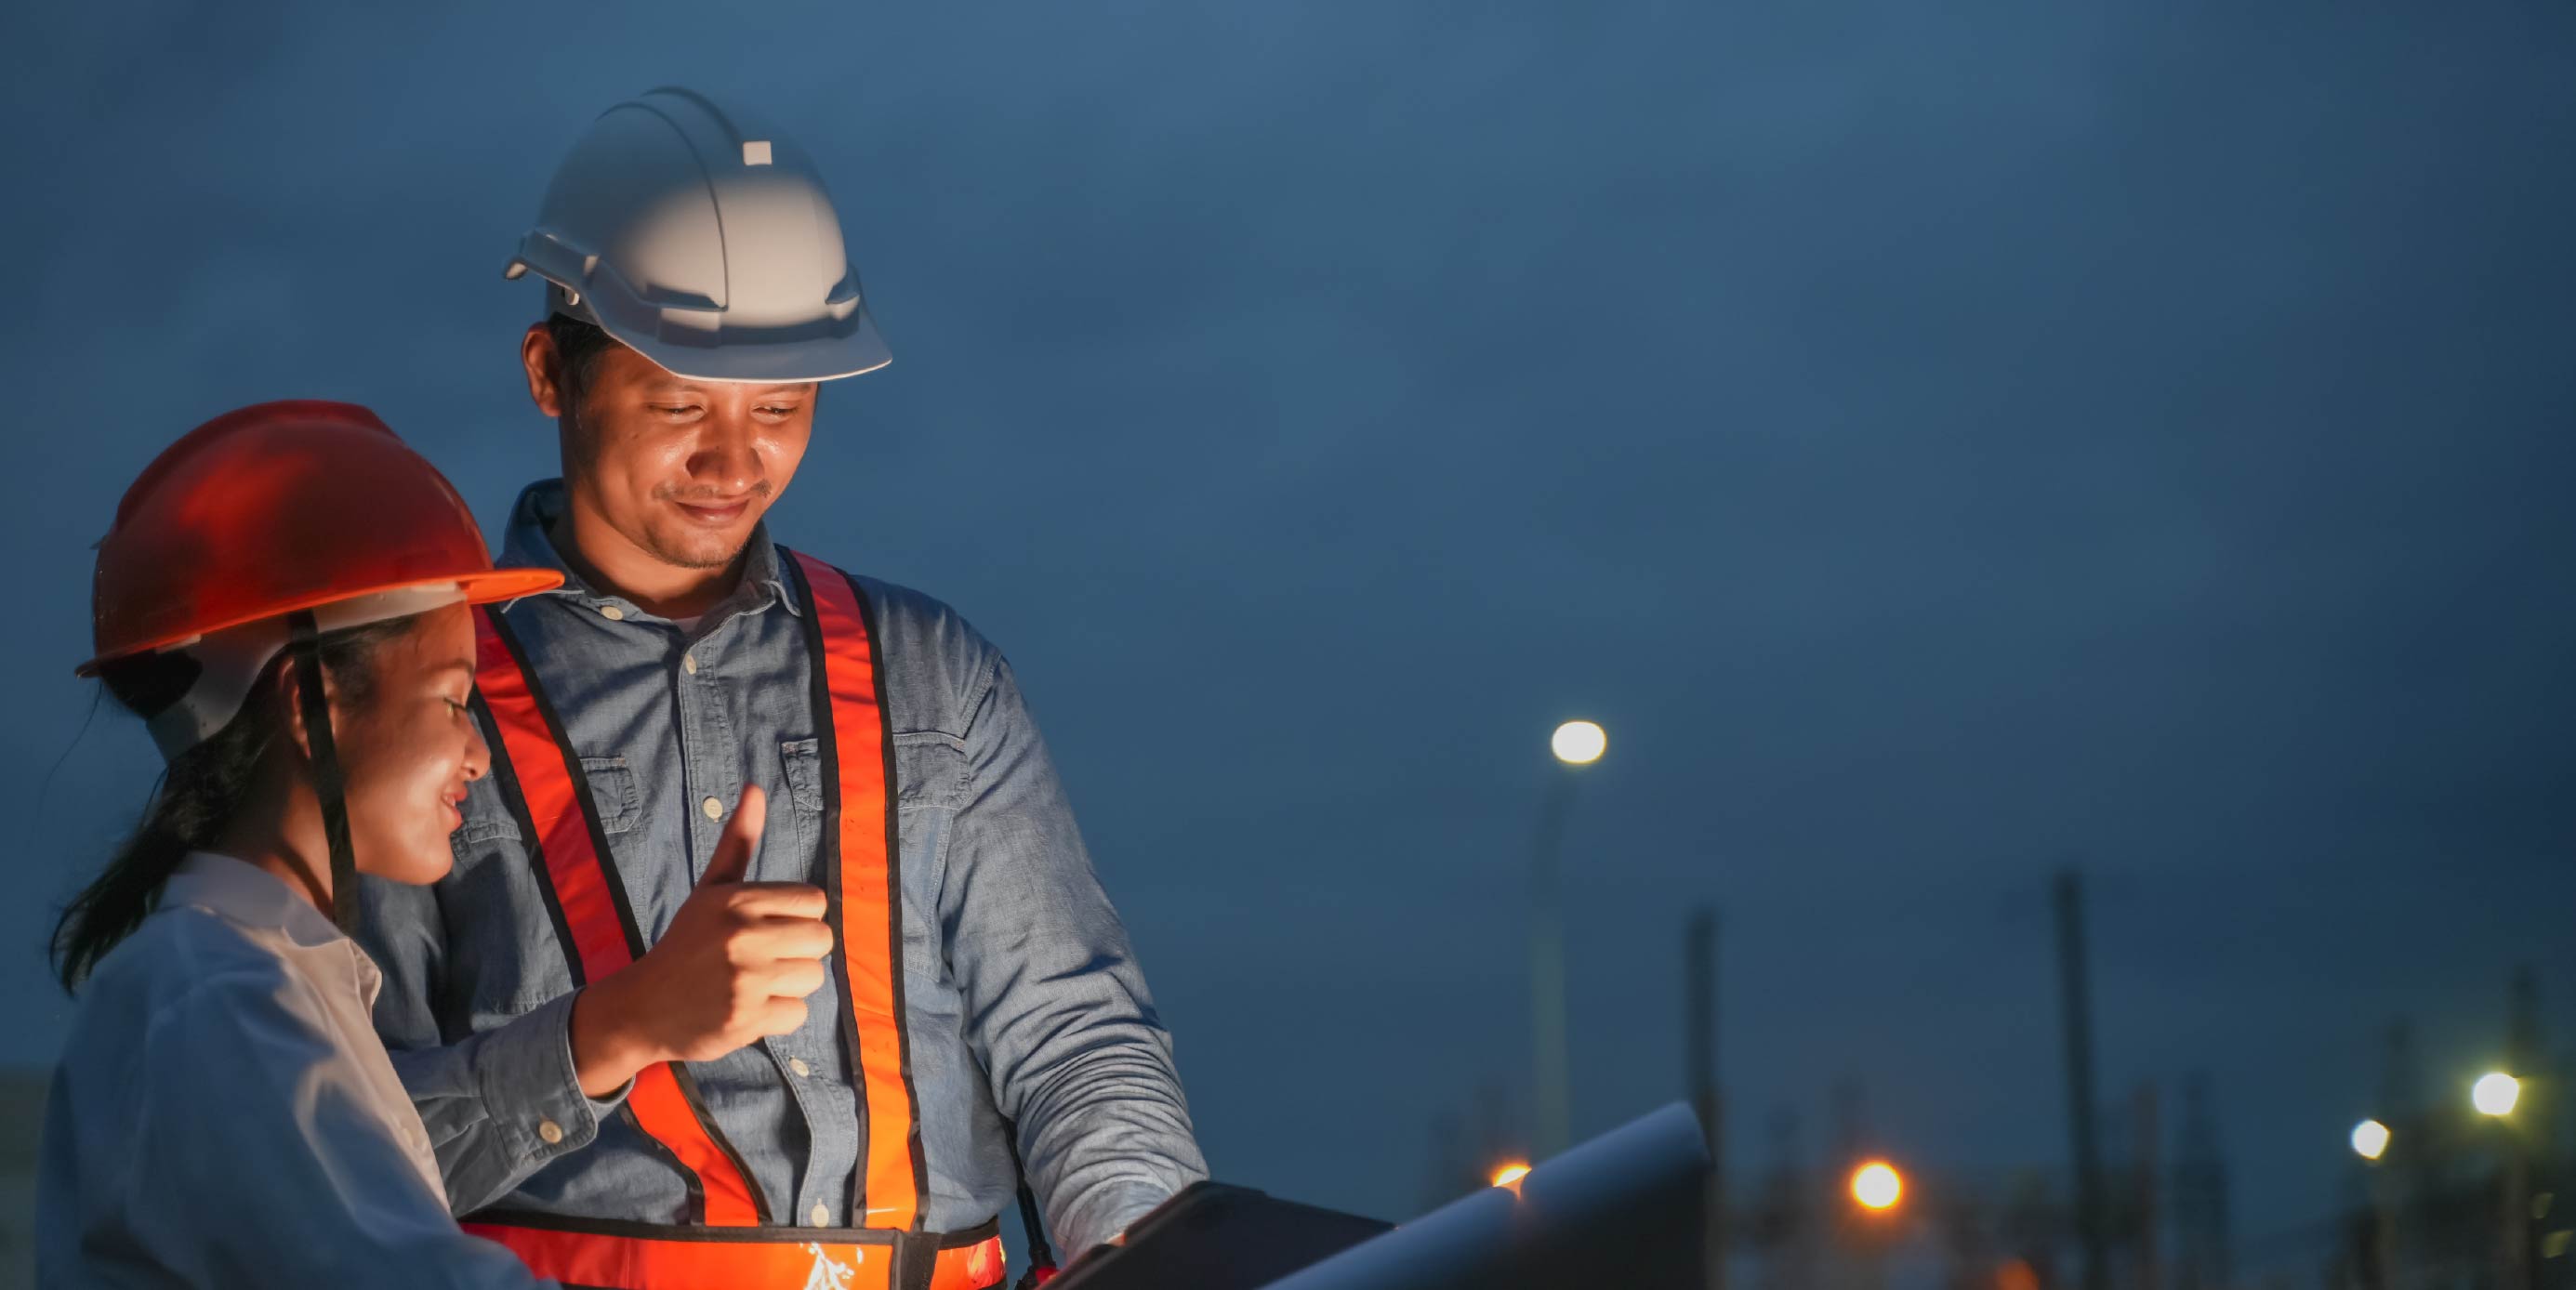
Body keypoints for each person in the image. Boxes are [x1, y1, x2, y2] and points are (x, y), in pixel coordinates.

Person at [356, 87, 1207, 1290]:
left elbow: (1074, 1043)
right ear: (551, 372)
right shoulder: (418, 700)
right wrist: (607, 1035)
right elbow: (341, 1150)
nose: (734, 462)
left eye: (781, 408)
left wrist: (1144, 1258)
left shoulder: (933, 678)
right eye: (676, 406)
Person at [40, 401, 569, 1288]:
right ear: (312, 701)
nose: (478, 751)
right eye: (450, 699)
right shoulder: (220, 998)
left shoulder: (243, 982)